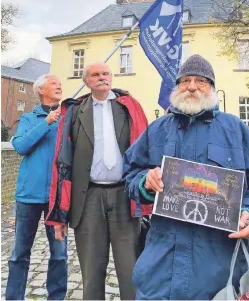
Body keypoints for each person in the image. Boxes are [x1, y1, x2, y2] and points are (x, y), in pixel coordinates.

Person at [123, 54, 249, 300]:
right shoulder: (157, 130)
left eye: (201, 81)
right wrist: (145, 180)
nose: (192, 87)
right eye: (185, 81)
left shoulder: (236, 130)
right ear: (176, 87)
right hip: (161, 266)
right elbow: (130, 173)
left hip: (220, 266)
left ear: (212, 88)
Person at [50, 62, 149, 300]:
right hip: (88, 198)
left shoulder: (129, 106)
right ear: (86, 81)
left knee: (131, 269)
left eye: (105, 74)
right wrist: (58, 215)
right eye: (95, 75)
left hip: (124, 195)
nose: (102, 78)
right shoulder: (74, 111)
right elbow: (61, 161)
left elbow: (147, 147)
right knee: (91, 270)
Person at [6, 75, 67, 301]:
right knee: (20, 254)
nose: (59, 85)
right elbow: (20, 146)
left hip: (57, 198)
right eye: (54, 83)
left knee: (60, 254)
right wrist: (46, 122)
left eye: (59, 83)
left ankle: (57, 298)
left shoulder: (66, 118)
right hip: (28, 197)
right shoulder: (30, 119)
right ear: (40, 90)